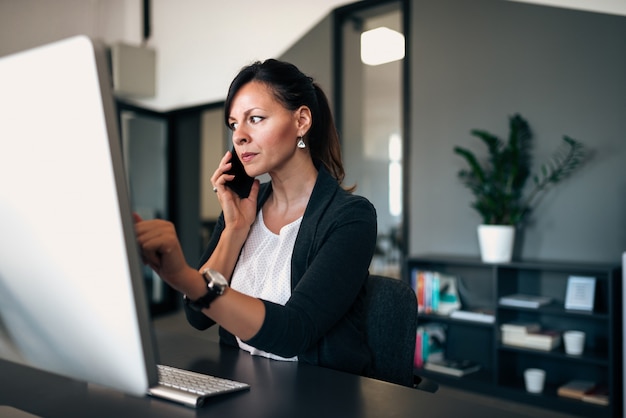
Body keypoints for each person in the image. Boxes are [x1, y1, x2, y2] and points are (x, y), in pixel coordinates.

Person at [134, 59, 377, 376]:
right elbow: (199, 317)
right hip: (242, 383)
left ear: (302, 120)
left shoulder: (350, 217)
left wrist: (183, 276)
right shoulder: (243, 206)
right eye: (234, 125)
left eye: (256, 119)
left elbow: (294, 333)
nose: (239, 136)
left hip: (316, 395)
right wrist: (234, 229)